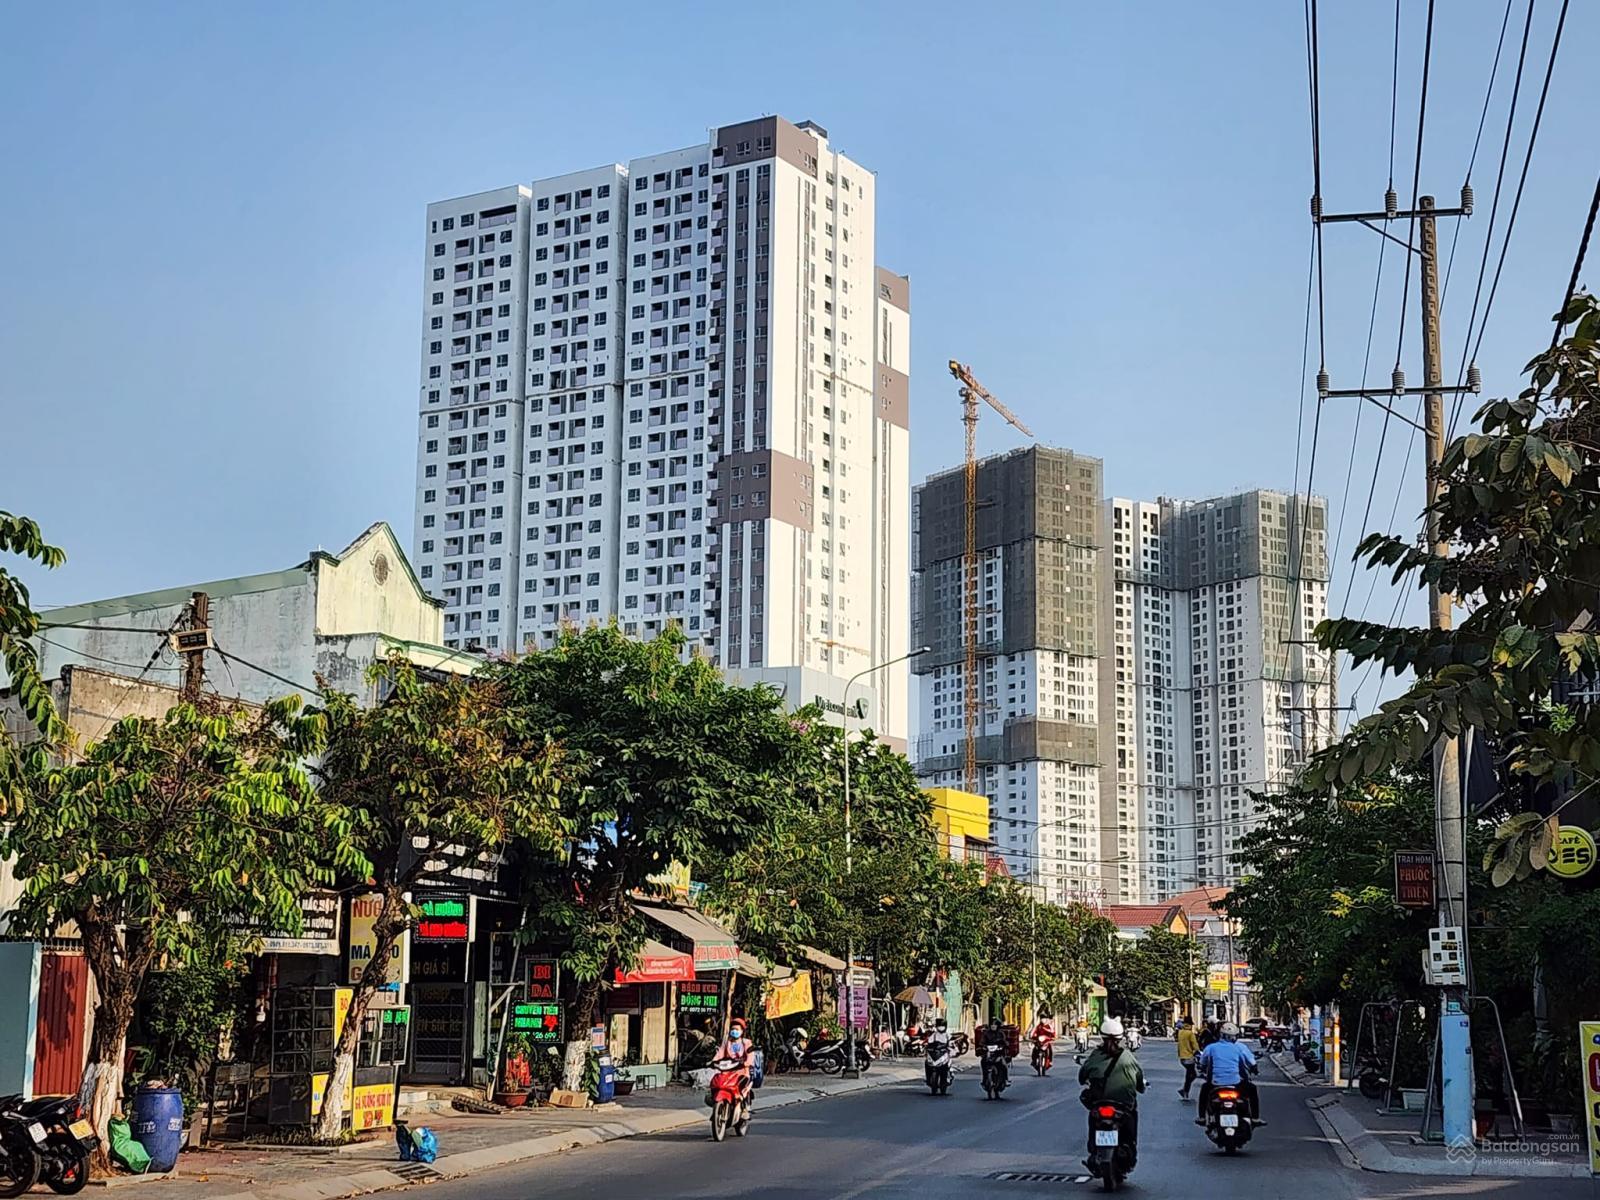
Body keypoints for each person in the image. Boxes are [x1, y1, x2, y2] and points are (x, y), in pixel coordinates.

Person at [1077, 1017, 1146, 1173]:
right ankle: (1129, 1145)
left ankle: (1093, 1150)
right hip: (1124, 1105)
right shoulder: (1128, 1057)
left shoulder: (1095, 1055)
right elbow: (1139, 1079)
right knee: (1132, 1118)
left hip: (1099, 1102)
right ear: (1121, 1038)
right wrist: (1141, 1087)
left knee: (1093, 1119)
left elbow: (1082, 1077)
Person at [1195, 1022, 1263, 1124]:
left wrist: (1202, 1067)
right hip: (1235, 1083)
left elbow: (1202, 1062)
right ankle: (1255, 1118)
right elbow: (1246, 1064)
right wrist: (1253, 1068)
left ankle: (1201, 1117)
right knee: (1252, 1090)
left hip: (1215, 1083)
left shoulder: (1211, 1048)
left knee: (1204, 1089)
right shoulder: (1238, 1048)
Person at [1175, 1016, 1201, 1100]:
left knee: (1190, 1074)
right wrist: (1198, 1051)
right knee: (1191, 1075)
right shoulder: (1190, 1033)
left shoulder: (1180, 1032)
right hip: (1189, 1057)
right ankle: (1185, 1091)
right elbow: (1194, 1045)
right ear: (1190, 1025)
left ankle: (1184, 1091)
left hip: (1182, 1057)